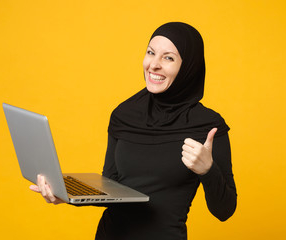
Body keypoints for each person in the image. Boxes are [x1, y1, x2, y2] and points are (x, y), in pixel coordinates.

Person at [30, 22, 237, 240]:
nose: (153, 64)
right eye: (150, 53)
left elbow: (224, 210)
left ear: (188, 67)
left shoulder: (207, 126)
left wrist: (208, 169)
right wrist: (66, 194)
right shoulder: (124, 114)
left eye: (168, 58)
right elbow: (110, 186)